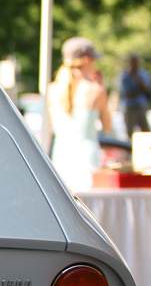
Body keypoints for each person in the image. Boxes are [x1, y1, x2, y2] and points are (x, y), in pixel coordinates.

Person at [47, 37, 112, 191]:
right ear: (87, 59)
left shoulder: (52, 90)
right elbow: (108, 126)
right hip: (87, 160)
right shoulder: (96, 90)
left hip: (60, 159)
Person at [118, 54, 151, 135]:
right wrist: (139, 90)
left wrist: (137, 79)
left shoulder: (143, 74)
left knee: (146, 131)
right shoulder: (125, 77)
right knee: (129, 132)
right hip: (129, 107)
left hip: (141, 106)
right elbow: (127, 94)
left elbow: (147, 89)